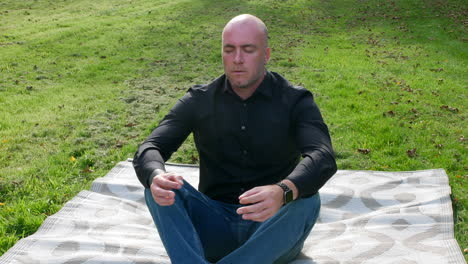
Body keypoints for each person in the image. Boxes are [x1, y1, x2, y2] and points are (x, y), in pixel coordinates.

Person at [133, 14, 337, 264]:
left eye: (248, 50)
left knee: (307, 198)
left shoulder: (295, 100)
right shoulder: (200, 99)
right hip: (213, 224)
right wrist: (155, 175)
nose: (237, 59)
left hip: (271, 230)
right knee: (159, 187)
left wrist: (282, 191)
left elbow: (322, 156)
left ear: (266, 54)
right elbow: (151, 147)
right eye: (229, 50)